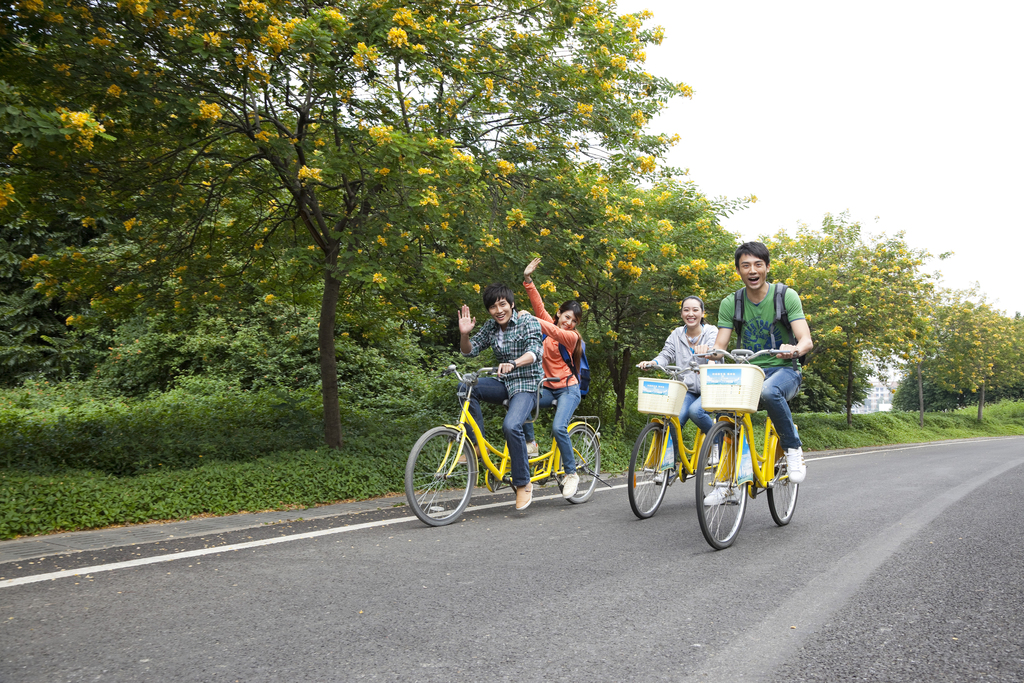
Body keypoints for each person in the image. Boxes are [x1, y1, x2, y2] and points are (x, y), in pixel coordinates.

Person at [706, 241, 813, 504]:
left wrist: (794, 349)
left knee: (769, 392)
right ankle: (726, 480)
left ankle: (792, 448)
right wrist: (708, 354)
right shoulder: (732, 302)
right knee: (723, 405)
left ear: (767, 267)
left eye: (757, 264)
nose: (752, 270)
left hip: (785, 370)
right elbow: (720, 347)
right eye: (745, 266)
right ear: (739, 271)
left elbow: (806, 340)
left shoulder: (785, 296)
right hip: (750, 371)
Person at [459, 283, 544, 511]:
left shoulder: (527, 322)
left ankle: (523, 483)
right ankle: (477, 447)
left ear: (511, 304)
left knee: (511, 425)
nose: (498, 310)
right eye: (493, 307)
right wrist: (464, 335)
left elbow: (536, 351)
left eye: (502, 304)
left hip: (526, 384)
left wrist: (514, 363)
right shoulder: (491, 327)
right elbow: (469, 350)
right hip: (504, 382)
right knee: (465, 387)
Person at [520, 257, 584, 499]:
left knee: (559, 427)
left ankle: (571, 473)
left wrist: (532, 320)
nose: (568, 323)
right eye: (566, 317)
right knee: (522, 398)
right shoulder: (550, 322)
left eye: (574, 321)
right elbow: (538, 307)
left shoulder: (571, 337)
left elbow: (552, 330)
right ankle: (531, 444)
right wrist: (528, 279)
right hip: (547, 387)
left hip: (568, 389)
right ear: (559, 313)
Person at [637, 296, 719, 470]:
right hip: (687, 389)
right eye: (686, 310)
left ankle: (716, 443)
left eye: (695, 310)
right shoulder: (676, 334)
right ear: (681, 313)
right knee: (674, 419)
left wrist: (709, 357)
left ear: (702, 313)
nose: (691, 314)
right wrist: (653, 363)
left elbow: (715, 351)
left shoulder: (711, 332)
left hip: (710, 387)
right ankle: (672, 464)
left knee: (696, 412)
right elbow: (666, 355)